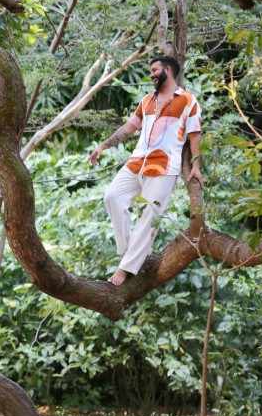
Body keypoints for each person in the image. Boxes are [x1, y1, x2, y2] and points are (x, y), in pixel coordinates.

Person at [87, 55, 203, 286]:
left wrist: (196, 167)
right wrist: (103, 146)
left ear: (167, 70)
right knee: (112, 197)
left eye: (154, 70)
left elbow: (195, 134)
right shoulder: (146, 101)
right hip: (137, 162)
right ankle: (128, 254)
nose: (150, 75)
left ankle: (125, 269)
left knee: (149, 217)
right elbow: (129, 128)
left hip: (164, 166)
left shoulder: (188, 100)